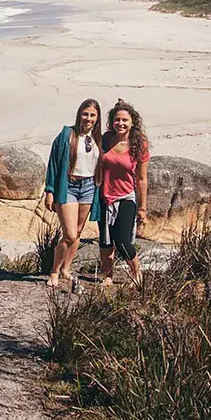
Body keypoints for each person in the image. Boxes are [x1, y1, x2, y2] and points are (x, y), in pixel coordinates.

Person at [43, 99, 103, 289]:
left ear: (97, 118)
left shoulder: (99, 139)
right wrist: (50, 191)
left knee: (77, 232)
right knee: (68, 234)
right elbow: (53, 163)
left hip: (88, 187)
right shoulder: (66, 134)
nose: (88, 118)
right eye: (85, 114)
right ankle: (54, 270)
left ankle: (66, 269)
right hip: (68, 185)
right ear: (79, 114)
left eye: (92, 115)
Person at [97, 100, 149, 286]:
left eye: (125, 120)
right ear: (111, 122)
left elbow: (142, 179)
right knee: (105, 241)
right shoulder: (105, 139)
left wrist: (142, 208)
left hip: (126, 197)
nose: (120, 123)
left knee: (122, 240)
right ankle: (108, 276)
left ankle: (136, 272)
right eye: (117, 119)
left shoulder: (139, 145)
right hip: (104, 197)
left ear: (133, 122)